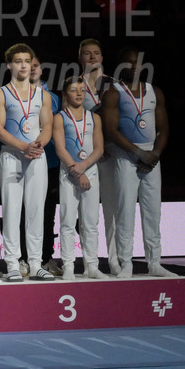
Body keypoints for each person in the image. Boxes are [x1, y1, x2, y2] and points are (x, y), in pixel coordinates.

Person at [101, 48, 175, 278]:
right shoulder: (113, 93)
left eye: (137, 63)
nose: (134, 67)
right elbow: (110, 130)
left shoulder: (155, 91)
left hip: (151, 157)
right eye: (129, 63)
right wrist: (137, 153)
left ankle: (154, 262)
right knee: (125, 211)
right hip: (125, 156)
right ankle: (126, 263)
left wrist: (154, 154)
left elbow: (163, 128)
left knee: (153, 211)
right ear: (121, 66)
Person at [0, 43, 55, 281]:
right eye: (18, 61)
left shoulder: (43, 95)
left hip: (36, 155)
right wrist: (23, 147)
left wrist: (38, 144)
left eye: (27, 61)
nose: (23, 65)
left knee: (36, 210)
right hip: (12, 154)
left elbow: (47, 126)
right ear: (9, 65)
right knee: (12, 209)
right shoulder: (1, 93)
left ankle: (36, 262)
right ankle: (12, 264)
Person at [52, 77, 107, 280]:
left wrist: (84, 167)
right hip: (69, 173)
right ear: (65, 94)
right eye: (74, 90)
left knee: (90, 222)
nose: (79, 93)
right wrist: (77, 170)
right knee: (67, 221)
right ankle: (68, 265)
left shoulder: (95, 118)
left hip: (89, 171)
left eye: (82, 90)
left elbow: (99, 148)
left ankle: (91, 265)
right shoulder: (60, 118)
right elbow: (60, 148)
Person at [78, 38, 120, 274]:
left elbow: (120, 123)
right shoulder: (75, 87)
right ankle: (90, 262)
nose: (92, 57)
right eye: (87, 54)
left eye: (96, 53)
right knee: (88, 214)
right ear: (80, 58)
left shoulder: (115, 86)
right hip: (89, 158)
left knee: (112, 211)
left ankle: (114, 260)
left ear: (102, 58)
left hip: (112, 156)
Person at [30, 56, 63, 275]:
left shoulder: (52, 98)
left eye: (34, 65)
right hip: (22, 159)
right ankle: (23, 258)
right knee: (24, 211)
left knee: (47, 213)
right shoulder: (10, 93)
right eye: (24, 64)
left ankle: (46, 257)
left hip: (49, 161)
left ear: (41, 70)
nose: (30, 69)